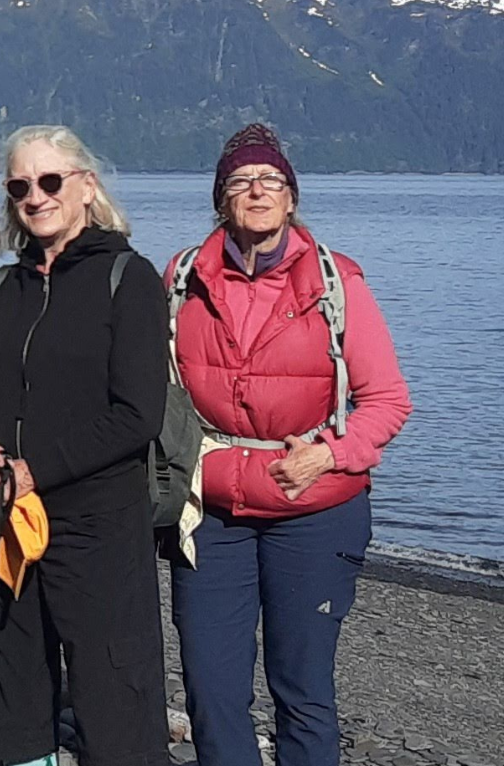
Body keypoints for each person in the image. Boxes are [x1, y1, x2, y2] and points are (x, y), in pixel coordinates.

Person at [168, 124, 412, 766]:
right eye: (241, 181)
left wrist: (329, 453)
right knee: (211, 691)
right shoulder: (183, 278)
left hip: (316, 511)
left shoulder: (337, 282)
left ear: (291, 196)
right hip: (211, 513)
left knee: (302, 690)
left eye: (270, 180)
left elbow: (388, 401)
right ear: (221, 199)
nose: (257, 191)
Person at [0, 125, 170, 766]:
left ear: (87, 187)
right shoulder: (2, 287)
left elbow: (137, 415)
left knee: (115, 709)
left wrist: (34, 469)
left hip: (99, 530)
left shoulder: (128, 279)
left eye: (49, 181)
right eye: (20, 186)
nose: (35, 197)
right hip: (9, 525)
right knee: (12, 706)